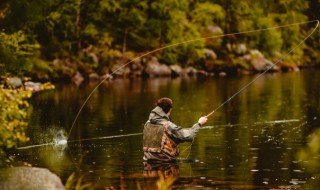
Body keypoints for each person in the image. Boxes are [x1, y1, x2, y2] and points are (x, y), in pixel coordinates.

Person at [143, 97, 208, 162]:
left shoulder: (147, 123)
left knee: (191, 160)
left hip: (147, 163)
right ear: (170, 110)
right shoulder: (168, 125)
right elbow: (189, 136)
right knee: (195, 161)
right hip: (165, 164)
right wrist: (199, 123)